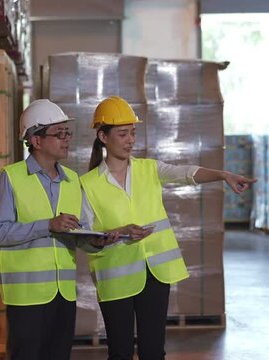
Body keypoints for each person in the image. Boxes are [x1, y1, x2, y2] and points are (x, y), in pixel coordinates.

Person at [80, 96, 257, 360]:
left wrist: (222, 175)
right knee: (120, 353)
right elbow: (84, 237)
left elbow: (185, 173)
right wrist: (118, 232)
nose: (130, 140)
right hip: (115, 279)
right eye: (122, 134)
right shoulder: (88, 184)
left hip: (155, 273)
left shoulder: (149, 169)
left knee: (153, 351)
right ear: (103, 137)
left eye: (133, 133)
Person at [0, 99, 109, 360]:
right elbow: (0, 233)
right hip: (26, 296)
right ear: (36, 140)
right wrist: (47, 225)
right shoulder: (11, 177)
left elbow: (76, 232)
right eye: (60, 134)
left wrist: (96, 241)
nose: (67, 139)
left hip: (63, 293)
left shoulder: (71, 181)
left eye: (67, 133)